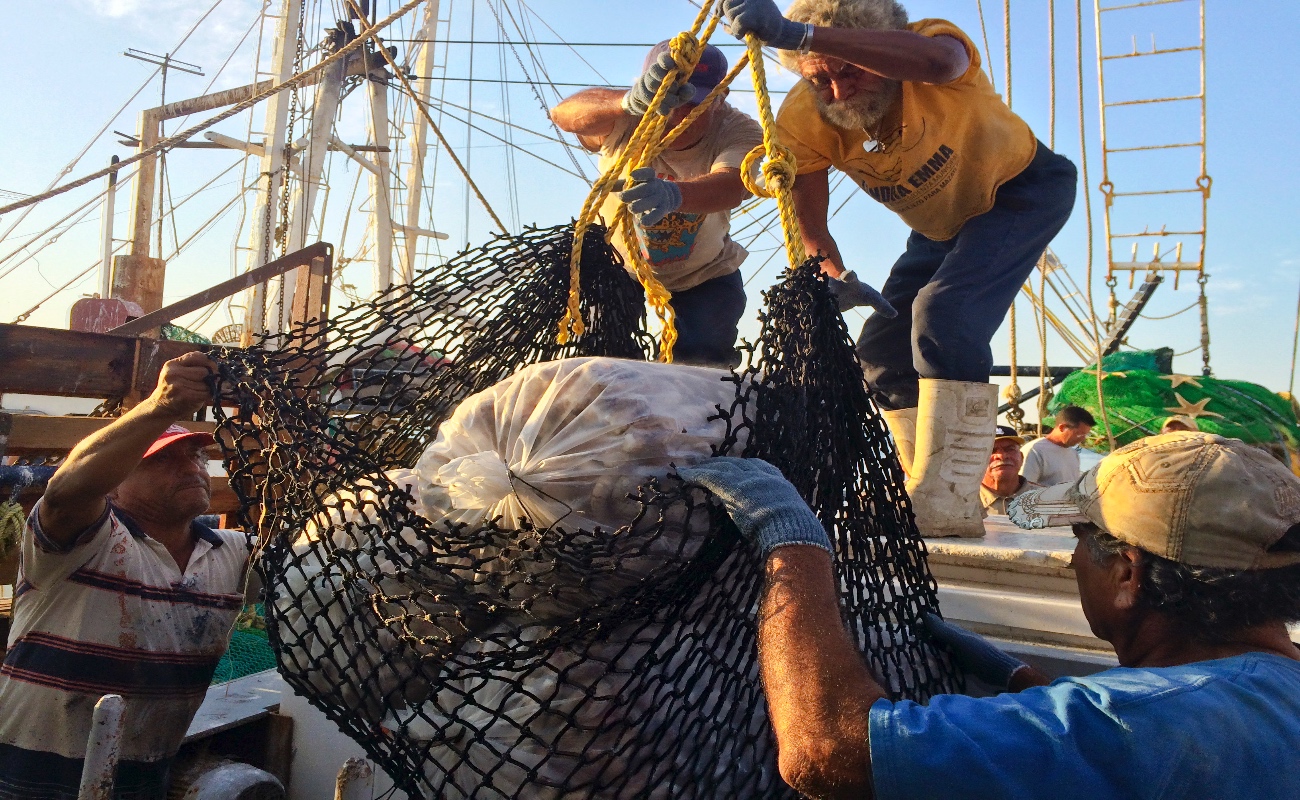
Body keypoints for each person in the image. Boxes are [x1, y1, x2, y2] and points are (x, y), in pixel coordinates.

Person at [678, 431, 1300, 799]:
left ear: (1128, 576)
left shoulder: (1134, 724)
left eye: (1082, 536)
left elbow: (826, 753)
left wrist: (794, 546)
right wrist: (1024, 682)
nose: (1072, 557)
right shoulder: (1269, 692)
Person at [720, 0, 1077, 536]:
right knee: (883, 351)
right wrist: (833, 276)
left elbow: (938, 63)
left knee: (945, 314)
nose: (837, 92)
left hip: (1022, 191)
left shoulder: (928, 49)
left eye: (849, 71)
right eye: (821, 81)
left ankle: (950, 500)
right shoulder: (804, 119)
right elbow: (812, 231)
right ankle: (925, 489)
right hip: (939, 226)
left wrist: (805, 35)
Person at [0, 352, 249, 800]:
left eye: (195, 455)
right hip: (25, 776)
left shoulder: (232, 554)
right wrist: (160, 407)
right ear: (113, 483)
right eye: (163, 459)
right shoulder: (82, 539)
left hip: (143, 780)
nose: (192, 466)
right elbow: (66, 491)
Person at [549, 42, 765, 367]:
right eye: (673, 100)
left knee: (701, 368)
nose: (680, 114)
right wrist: (625, 102)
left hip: (704, 273)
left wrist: (674, 195)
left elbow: (735, 184)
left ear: (721, 97)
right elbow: (564, 115)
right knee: (601, 361)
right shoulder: (625, 115)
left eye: (695, 103)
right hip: (615, 264)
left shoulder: (740, 130)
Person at [1020, 404, 1094, 487]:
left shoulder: (1073, 454)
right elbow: (1024, 487)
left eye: (1085, 435)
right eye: (1079, 434)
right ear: (1062, 427)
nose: (1083, 439)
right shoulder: (1035, 450)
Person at [979, 425, 1036, 517]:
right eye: (992, 450)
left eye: (1010, 449)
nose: (1002, 456)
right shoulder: (960, 503)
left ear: (1021, 458)